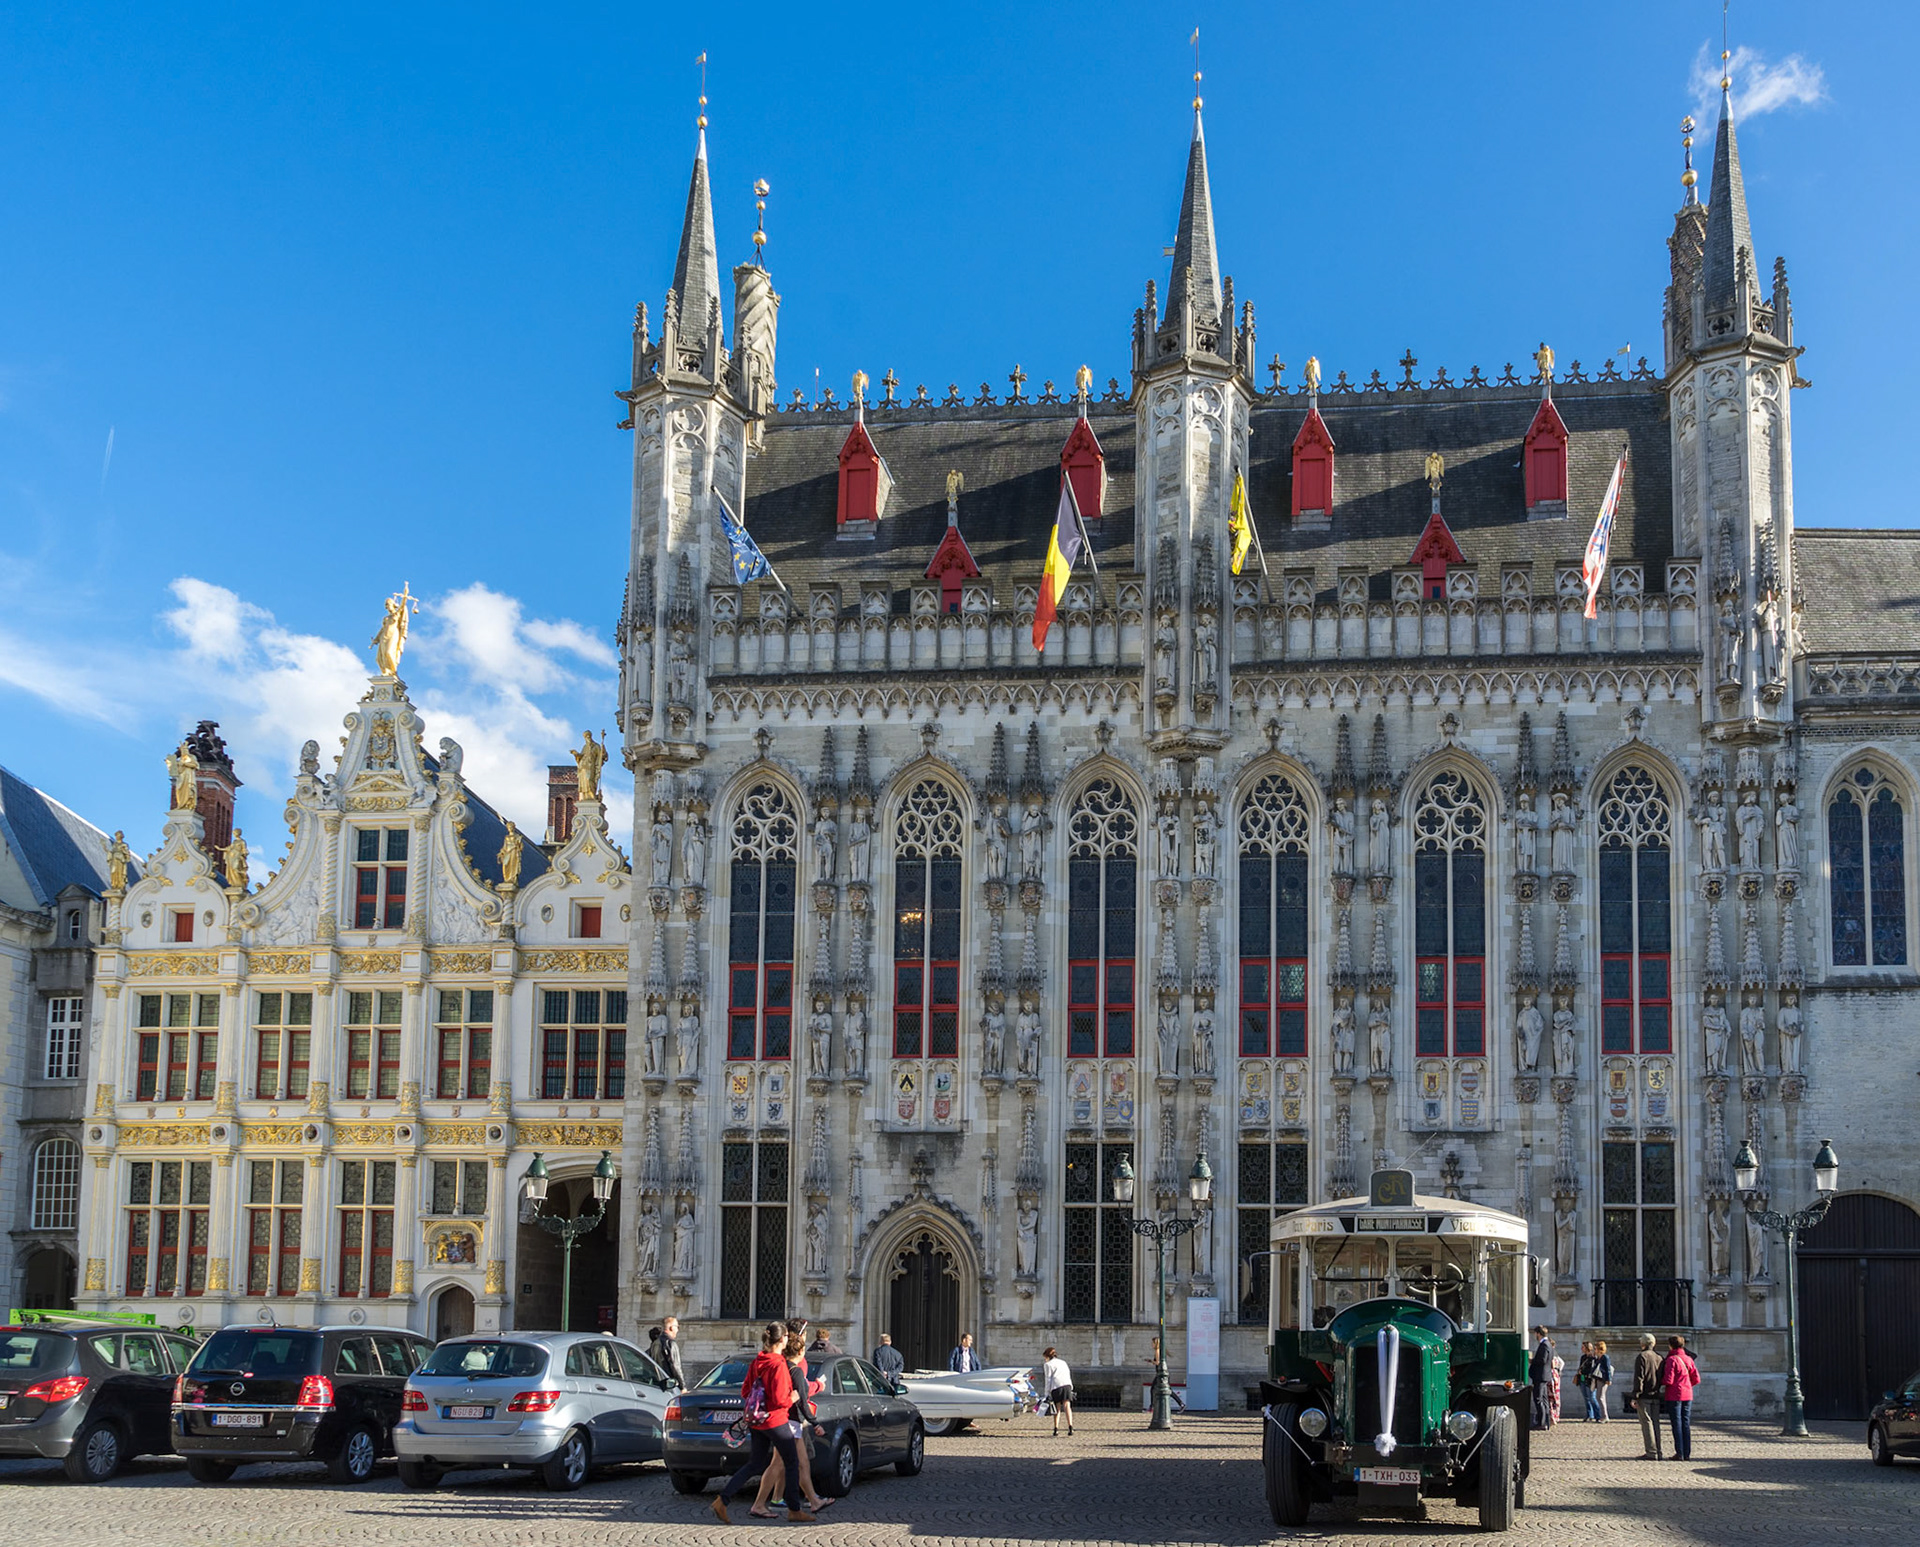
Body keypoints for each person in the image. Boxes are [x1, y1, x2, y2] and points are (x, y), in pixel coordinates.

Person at [711, 1323, 816, 1523]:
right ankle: (794, 1509)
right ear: (783, 1339)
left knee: (755, 1463)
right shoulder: (778, 1364)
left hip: (757, 1420)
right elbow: (779, 1400)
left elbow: (745, 1391)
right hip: (775, 1420)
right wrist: (792, 1398)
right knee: (792, 1462)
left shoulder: (758, 1360)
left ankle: (723, 1500)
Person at [752, 1318, 833, 1518]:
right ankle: (762, 1504)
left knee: (797, 1461)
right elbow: (799, 1394)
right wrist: (815, 1419)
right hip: (789, 1419)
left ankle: (808, 1500)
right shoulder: (792, 1366)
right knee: (781, 1462)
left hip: (789, 1418)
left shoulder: (783, 1362)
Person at [1659, 1335, 1700, 1461]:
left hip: (1674, 1395)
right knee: (1686, 1423)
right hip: (1688, 1394)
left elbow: (1669, 1380)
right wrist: (1687, 1385)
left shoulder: (1672, 1359)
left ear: (1670, 1346)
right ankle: (1687, 1453)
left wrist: (1660, 1382)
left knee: (1676, 1424)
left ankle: (1680, 1452)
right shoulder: (1688, 1359)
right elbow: (1696, 1378)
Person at [1631, 1333, 1665, 1459]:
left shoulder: (1642, 1357)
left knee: (1646, 1423)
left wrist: (1635, 1395)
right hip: (1656, 1393)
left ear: (1643, 1344)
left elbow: (1639, 1377)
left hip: (1644, 1395)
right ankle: (1659, 1451)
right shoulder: (1659, 1357)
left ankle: (1651, 1452)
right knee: (1655, 1423)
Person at [1041, 1346, 1075, 1438]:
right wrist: (1071, 1387)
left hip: (1056, 1386)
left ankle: (1056, 1428)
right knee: (1067, 1406)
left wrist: (1046, 1393)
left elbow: (1048, 1379)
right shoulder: (1063, 1362)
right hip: (1066, 1384)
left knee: (1057, 1407)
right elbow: (1068, 1374)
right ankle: (1070, 1426)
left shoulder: (1048, 1365)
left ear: (1047, 1356)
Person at [650, 1316, 686, 1389]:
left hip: (655, 1384)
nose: (678, 1330)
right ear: (671, 1328)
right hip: (669, 1385)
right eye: (677, 1327)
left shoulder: (655, 1343)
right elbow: (675, 1366)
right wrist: (682, 1386)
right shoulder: (670, 1343)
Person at [1529, 1328, 1554, 1431]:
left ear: (1538, 1334)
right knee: (1544, 1399)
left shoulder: (1544, 1345)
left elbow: (1542, 1360)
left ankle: (1541, 1422)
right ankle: (1545, 1422)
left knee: (1538, 1399)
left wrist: (1532, 1360)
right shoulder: (1548, 1344)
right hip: (1544, 1375)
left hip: (1540, 1375)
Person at [1588, 1340, 1612, 1423]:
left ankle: (1605, 1416)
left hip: (1603, 1379)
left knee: (1600, 1397)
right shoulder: (1598, 1357)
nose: (1595, 1350)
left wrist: (1609, 1379)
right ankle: (1604, 1416)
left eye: (1596, 1348)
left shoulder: (1605, 1357)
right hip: (1598, 1379)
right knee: (1600, 1397)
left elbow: (1607, 1369)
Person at [1548, 1347, 1565, 1426]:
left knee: (1551, 1398)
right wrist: (1558, 1370)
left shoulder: (1552, 1356)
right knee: (1556, 1398)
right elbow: (1562, 1363)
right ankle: (1556, 1416)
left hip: (1551, 1376)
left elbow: (1553, 1364)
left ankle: (1552, 1417)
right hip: (1556, 1376)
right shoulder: (1557, 1356)